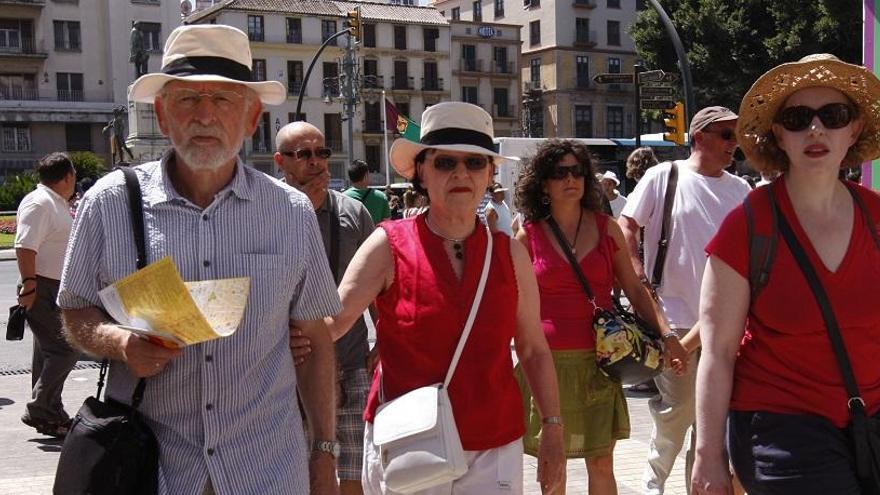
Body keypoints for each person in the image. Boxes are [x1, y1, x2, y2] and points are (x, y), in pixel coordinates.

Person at [58, 24, 340, 495]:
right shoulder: (109, 202)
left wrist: (324, 454)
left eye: (224, 100)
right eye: (187, 100)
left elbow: (315, 340)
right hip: (152, 469)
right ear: (164, 117)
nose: (205, 116)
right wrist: (120, 341)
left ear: (252, 120)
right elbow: (74, 310)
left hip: (266, 470)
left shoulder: (290, 213)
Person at [328, 102, 566, 494]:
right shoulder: (388, 244)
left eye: (474, 163)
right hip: (408, 441)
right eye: (444, 163)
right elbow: (330, 324)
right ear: (421, 171)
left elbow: (534, 349)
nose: (461, 173)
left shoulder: (510, 252)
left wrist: (553, 430)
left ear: (490, 173)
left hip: (494, 446)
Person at [692, 54, 880, 495]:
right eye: (798, 118)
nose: (815, 130)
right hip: (780, 425)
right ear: (779, 133)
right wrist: (707, 454)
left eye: (832, 116)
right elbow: (717, 352)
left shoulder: (876, 217)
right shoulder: (749, 225)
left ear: (852, 129)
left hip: (870, 420)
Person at [514, 139, 676, 495]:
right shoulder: (529, 235)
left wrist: (665, 334)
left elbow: (634, 289)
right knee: (552, 463)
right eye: (560, 173)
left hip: (603, 360)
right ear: (543, 183)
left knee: (601, 461)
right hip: (547, 362)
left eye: (578, 171)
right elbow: (515, 302)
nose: (570, 179)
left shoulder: (607, 228)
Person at [618, 106, 751, 495]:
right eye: (726, 135)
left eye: (736, 136)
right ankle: (652, 484)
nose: (734, 145)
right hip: (674, 322)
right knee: (676, 416)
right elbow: (626, 225)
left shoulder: (740, 189)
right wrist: (637, 276)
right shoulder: (665, 176)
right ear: (700, 137)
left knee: (713, 424)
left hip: (726, 326)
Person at [274, 121, 375, 495]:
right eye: (304, 155)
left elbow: (379, 282)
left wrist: (383, 343)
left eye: (322, 152)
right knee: (301, 477)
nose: (316, 162)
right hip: (288, 369)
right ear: (281, 161)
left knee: (353, 475)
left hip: (350, 363)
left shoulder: (353, 213)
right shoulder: (267, 217)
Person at [15, 152, 79, 438]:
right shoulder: (39, 203)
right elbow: (25, 246)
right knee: (65, 349)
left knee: (46, 352)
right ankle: (40, 407)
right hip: (41, 287)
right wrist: (29, 285)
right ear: (67, 176)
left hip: (53, 286)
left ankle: (50, 414)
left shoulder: (55, 203)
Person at [344, 159, 391, 224]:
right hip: (375, 233)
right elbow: (387, 224)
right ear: (366, 176)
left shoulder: (342, 198)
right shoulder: (381, 197)